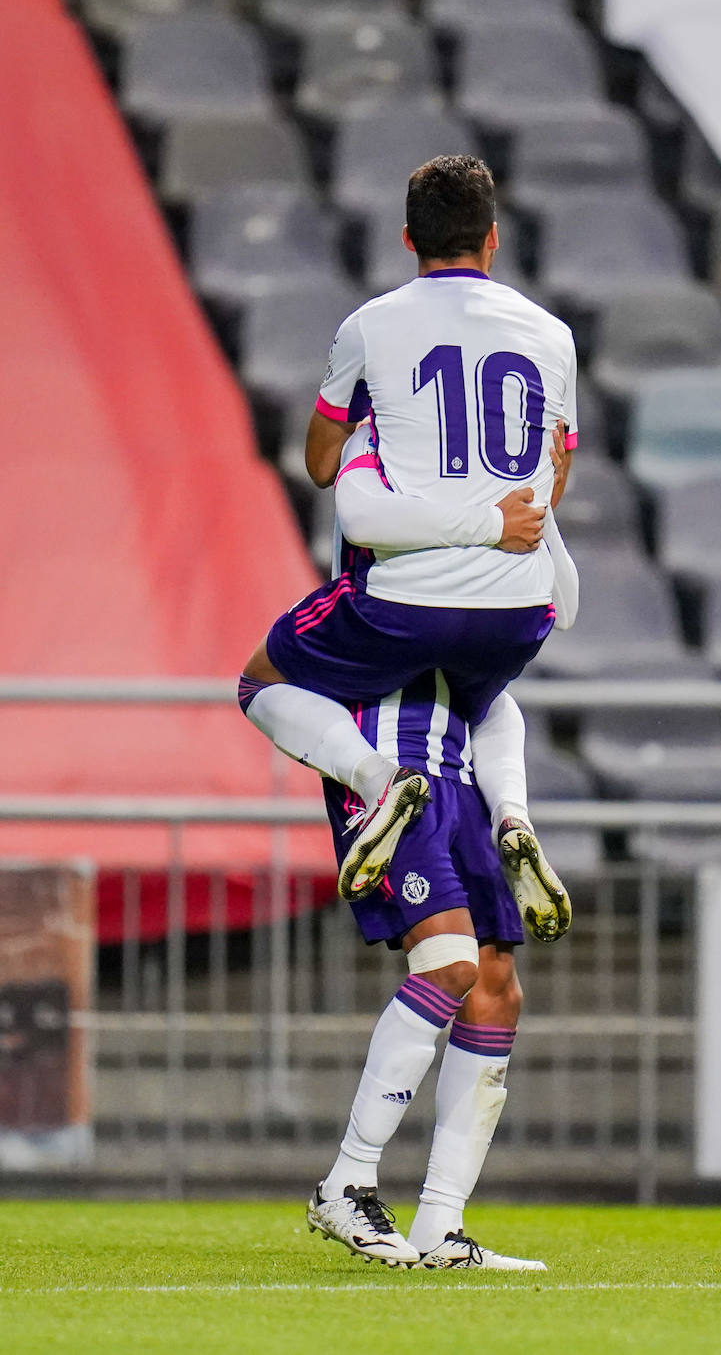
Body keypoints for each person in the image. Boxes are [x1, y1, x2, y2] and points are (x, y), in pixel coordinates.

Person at [239, 428, 578, 1270]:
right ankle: (345, 1185)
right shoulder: (397, 457)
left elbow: (551, 614)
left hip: (457, 761)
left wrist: (541, 509)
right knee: (452, 966)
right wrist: (493, 526)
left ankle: (441, 1224)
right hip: (387, 738)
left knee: (496, 989)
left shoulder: (497, 483)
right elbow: (354, 502)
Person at [241, 153, 578, 917]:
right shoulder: (553, 336)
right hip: (522, 610)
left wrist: (376, 436)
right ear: (493, 240)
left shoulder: (370, 325)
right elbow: (557, 478)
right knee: (487, 700)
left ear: (406, 238)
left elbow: (321, 465)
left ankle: (377, 782)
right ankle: (514, 817)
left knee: (263, 681)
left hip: (405, 603)